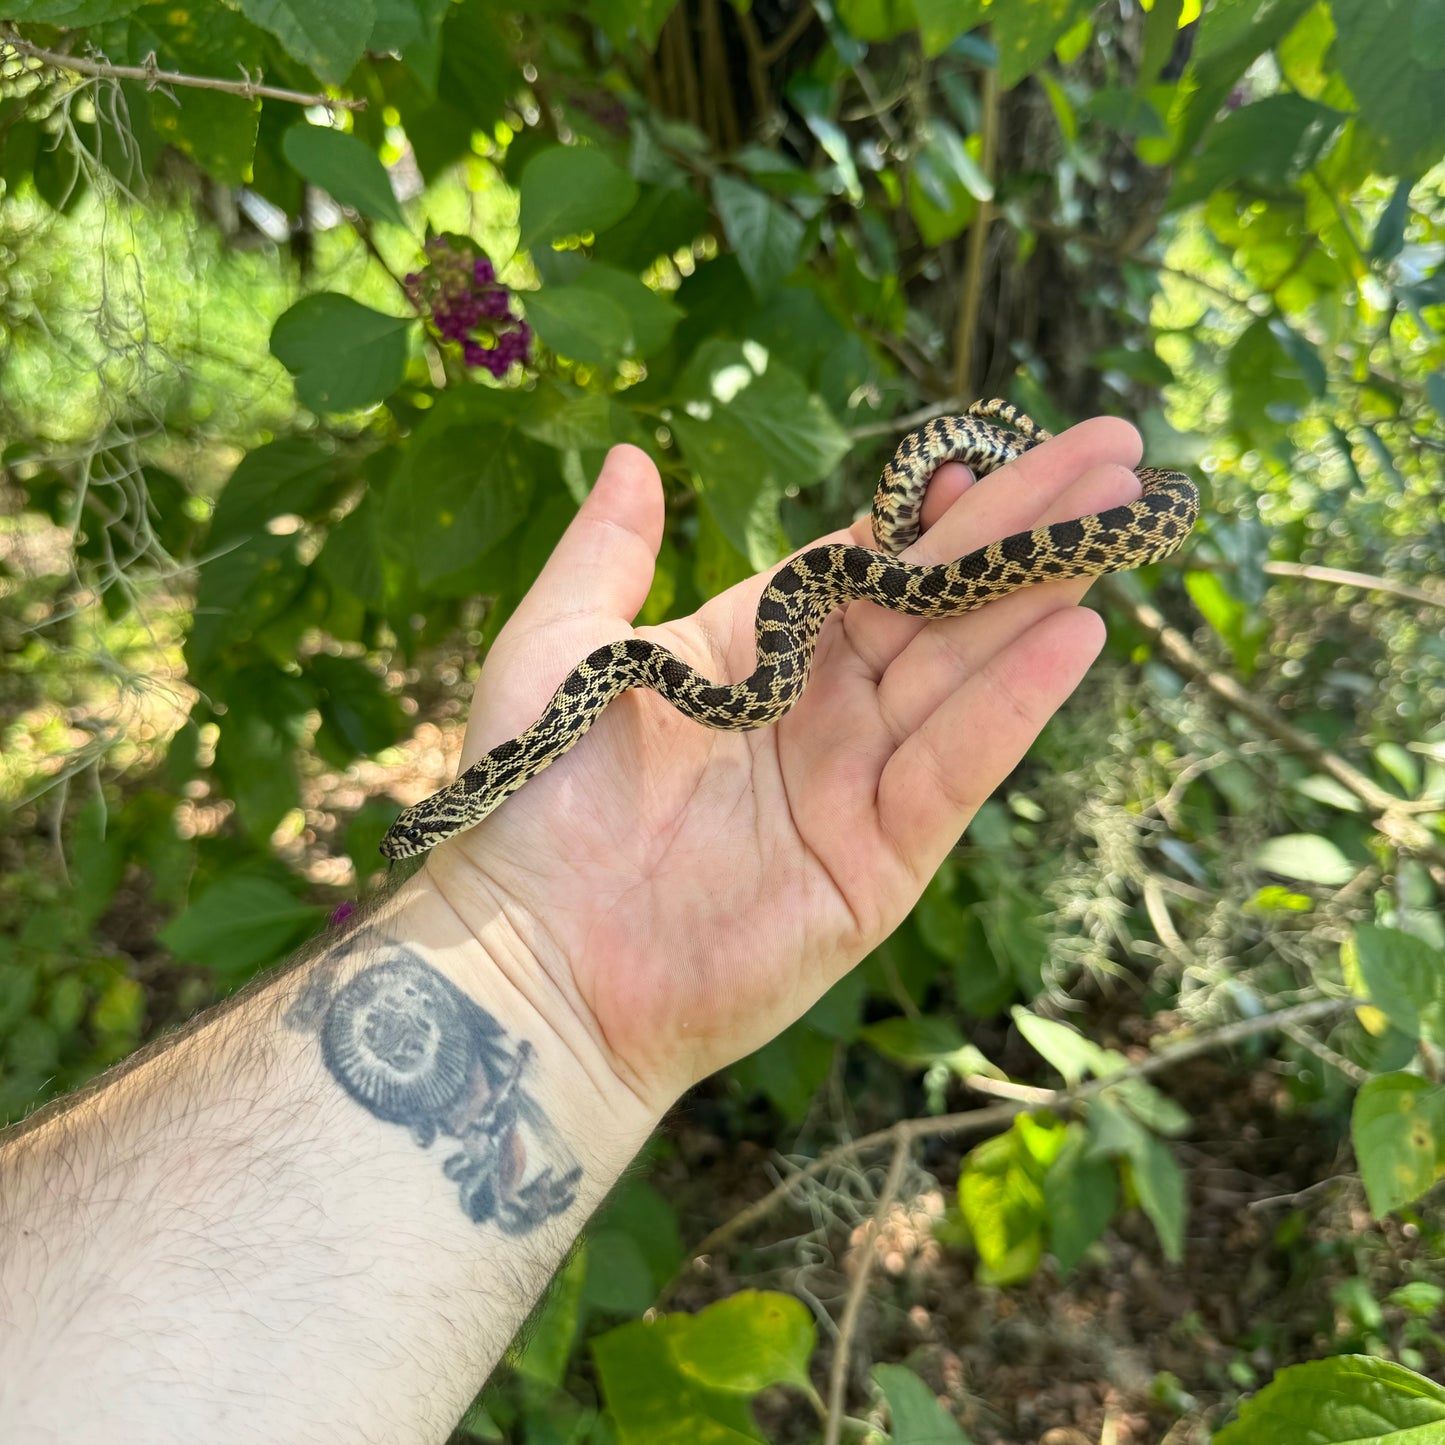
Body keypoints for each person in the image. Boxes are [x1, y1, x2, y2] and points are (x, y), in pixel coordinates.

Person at [0, 418, 1145, 1441]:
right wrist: (516, 939)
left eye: (424, 834)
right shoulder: (569, 731)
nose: (413, 844)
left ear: (456, 809)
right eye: (425, 837)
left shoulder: (641, 681)